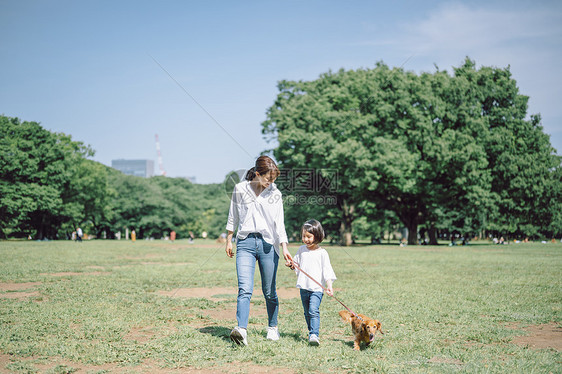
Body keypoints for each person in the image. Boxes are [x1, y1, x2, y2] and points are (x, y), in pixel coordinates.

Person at [225, 155, 293, 346]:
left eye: (273, 180)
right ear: (257, 174)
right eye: (268, 179)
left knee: (269, 291)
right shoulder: (240, 189)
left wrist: (284, 247)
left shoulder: (275, 194)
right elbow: (233, 216)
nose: (270, 183)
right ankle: (241, 330)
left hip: (268, 245)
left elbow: (280, 224)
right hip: (245, 242)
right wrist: (229, 240)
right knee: (244, 288)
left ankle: (272, 327)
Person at [291, 219, 336, 346]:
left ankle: (314, 334)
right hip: (304, 287)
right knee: (307, 312)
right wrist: (291, 264)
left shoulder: (322, 253)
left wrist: (329, 286)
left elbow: (327, 270)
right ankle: (311, 332)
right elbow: (296, 264)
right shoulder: (301, 250)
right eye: (304, 236)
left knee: (313, 310)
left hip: (317, 289)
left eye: (309, 237)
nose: (306, 239)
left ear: (317, 236)